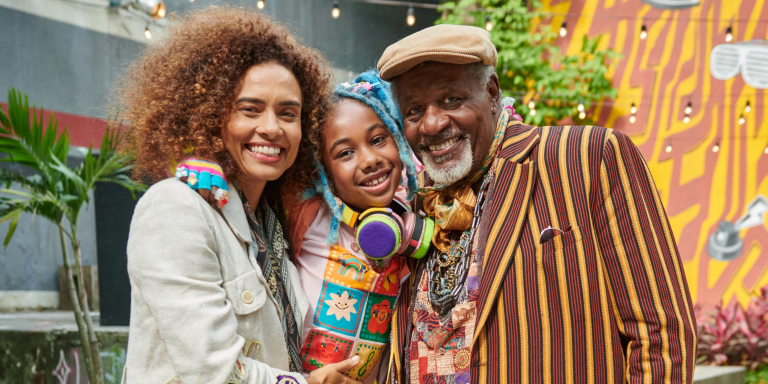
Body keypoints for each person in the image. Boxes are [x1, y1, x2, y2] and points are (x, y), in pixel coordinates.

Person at [375, 24, 697, 383]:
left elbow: (661, 335)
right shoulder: (419, 209)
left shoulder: (585, 157)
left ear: (492, 92)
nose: (432, 124)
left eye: (451, 99)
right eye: (414, 111)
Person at [120, 7, 360, 384]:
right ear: (209, 115)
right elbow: (210, 369)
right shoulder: (174, 208)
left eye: (288, 114)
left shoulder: (270, 227)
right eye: (249, 109)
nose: (271, 128)